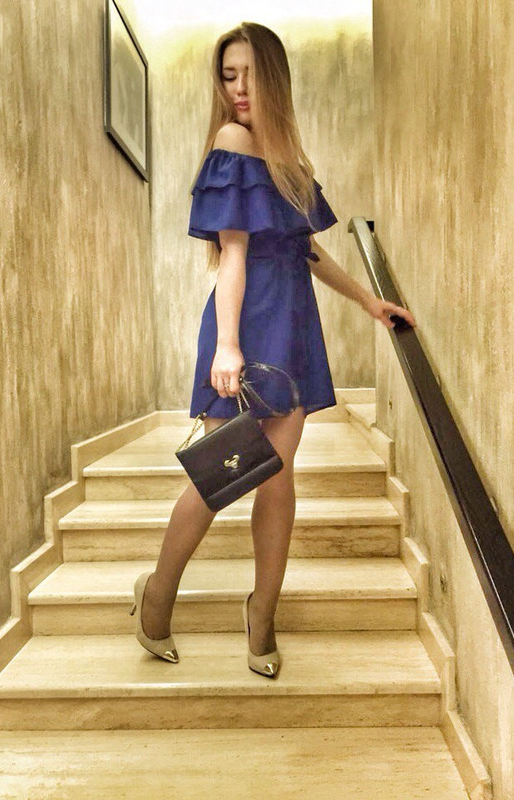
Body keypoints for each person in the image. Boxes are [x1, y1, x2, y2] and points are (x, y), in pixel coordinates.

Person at [130, 21, 416, 679]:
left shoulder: (289, 158)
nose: (237, 89)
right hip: (246, 324)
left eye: (249, 75)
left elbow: (306, 249)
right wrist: (227, 346)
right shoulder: (231, 142)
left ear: (275, 79)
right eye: (227, 76)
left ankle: (262, 613)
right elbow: (232, 256)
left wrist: (368, 301)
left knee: (279, 477)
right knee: (219, 477)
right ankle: (157, 594)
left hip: (293, 328)